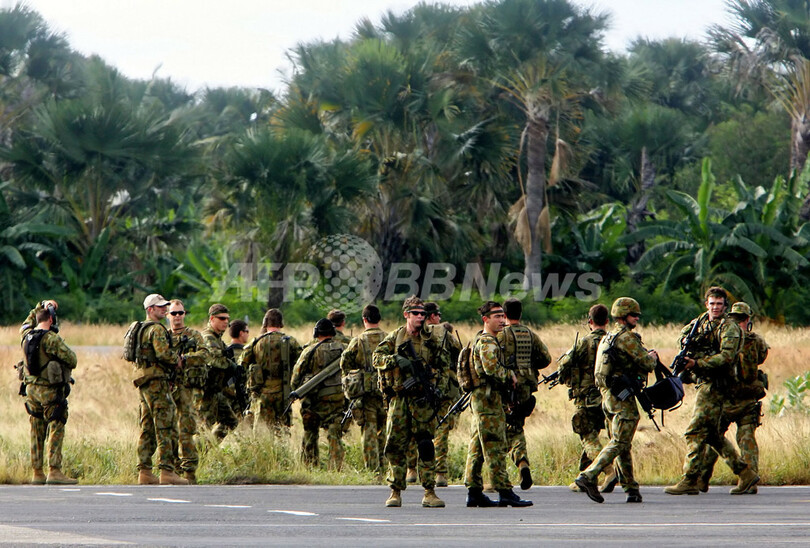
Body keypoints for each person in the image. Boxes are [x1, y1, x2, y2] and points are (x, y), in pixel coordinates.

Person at [665, 293, 759, 496]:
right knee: (712, 434)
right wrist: (688, 347)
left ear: (725, 306)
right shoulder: (699, 322)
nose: (715, 307)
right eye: (712, 303)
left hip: (716, 385)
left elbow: (726, 357)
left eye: (719, 304)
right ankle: (745, 473)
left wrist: (697, 363)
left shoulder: (729, 328)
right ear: (706, 304)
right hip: (703, 381)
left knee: (694, 432)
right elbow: (682, 337)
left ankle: (690, 479)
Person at [575, 297, 657, 504]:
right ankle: (589, 475)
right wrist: (653, 357)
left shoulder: (609, 336)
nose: (636, 318)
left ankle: (631, 489)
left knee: (623, 444)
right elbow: (647, 364)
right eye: (633, 315)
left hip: (609, 398)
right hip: (622, 400)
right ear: (623, 316)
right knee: (620, 442)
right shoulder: (626, 338)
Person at [373, 295, 448, 508]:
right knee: (396, 445)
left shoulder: (430, 339)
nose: (420, 317)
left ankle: (429, 492)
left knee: (425, 445)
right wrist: (395, 359)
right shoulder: (395, 337)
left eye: (423, 314)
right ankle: (395, 491)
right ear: (406, 314)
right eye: (416, 313)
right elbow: (376, 358)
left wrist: (438, 387)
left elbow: (444, 364)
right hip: (400, 399)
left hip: (423, 400)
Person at [464, 301, 532, 508]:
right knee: (495, 445)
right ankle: (505, 491)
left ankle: (474, 491)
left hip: (485, 401)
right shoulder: (487, 342)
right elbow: (491, 369)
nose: (502, 320)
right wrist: (509, 375)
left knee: (477, 447)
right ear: (485, 319)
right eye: (497, 317)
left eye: (503, 316)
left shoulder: (486, 340)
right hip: (488, 401)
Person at [699, 302, 768, 495]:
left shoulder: (725, 338)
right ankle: (748, 481)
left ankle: (702, 479)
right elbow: (761, 358)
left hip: (731, 399)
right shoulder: (756, 341)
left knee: (717, 438)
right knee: (744, 441)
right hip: (745, 398)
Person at [557, 303, 616, 493]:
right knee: (598, 434)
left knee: (587, 436)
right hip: (610, 397)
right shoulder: (613, 341)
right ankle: (584, 477)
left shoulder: (584, 342)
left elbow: (564, 364)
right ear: (607, 321)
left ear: (590, 321)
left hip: (587, 398)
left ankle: (609, 471)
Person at [19, 300, 78, 485]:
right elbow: (72, 359)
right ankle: (54, 470)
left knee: (36, 430)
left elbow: (26, 322)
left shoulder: (26, 335)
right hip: (49, 391)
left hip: (31, 391)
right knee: (56, 426)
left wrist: (41, 305)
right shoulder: (51, 339)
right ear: (51, 319)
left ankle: (37, 472)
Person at [498, 297, 552, 491]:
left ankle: (501, 474)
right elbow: (546, 358)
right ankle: (522, 464)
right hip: (526, 388)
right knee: (516, 426)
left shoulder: (500, 335)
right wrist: (529, 366)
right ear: (520, 314)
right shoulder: (530, 334)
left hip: (505, 387)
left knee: (501, 430)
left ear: (504, 314)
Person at [133, 294, 187, 485]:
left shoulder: (140, 328)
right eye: (160, 307)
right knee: (166, 425)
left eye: (165, 306)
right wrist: (178, 360)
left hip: (144, 381)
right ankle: (167, 470)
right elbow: (163, 354)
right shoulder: (156, 329)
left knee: (147, 426)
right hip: (157, 381)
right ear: (150, 310)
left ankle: (145, 471)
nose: (164, 309)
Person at [291, 318, 347, 468]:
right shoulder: (344, 349)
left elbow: (296, 378)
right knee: (335, 435)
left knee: (310, 433)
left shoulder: (309, 351)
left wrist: (298, 390)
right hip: (337, 399)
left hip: (313, 401)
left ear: (316, 333)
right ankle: (335, 468)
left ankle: (310, 467)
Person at [340, 304, 387, 472]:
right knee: (385, 430)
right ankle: (385, 467)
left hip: (366, 395)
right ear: (379, 319)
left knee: (369, 431)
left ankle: (373, 470)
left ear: (364, 320)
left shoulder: (358, 341)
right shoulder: (389, 338)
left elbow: (345, 363)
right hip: (386, 393)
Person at [240, 308, 302, 435]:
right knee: (282, 430)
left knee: (262, 431)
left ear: (265, 323)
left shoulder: (256, 342)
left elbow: (242, 364)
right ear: (281, 323)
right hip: (284, 392)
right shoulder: (291, 342)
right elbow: (301, 365)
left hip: (262, 393)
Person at [168, 299, 208, 484]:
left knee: (187, 429)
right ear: (168, 315)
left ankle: (189, 472)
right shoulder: (164, 336)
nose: (177, 317)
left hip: (186, 388)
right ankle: (172, 470)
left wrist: (185, 359)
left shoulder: (194, 335)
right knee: (168, 430)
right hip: (169, 387)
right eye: (174, 313)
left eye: (180, 313)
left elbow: (205, 354)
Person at [197, 304, 239, 441]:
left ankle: (208, 447)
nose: (226, 322)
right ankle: (196, 452)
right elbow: (214, 360)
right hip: (206, 391)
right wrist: (231, 365)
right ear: (212, 319)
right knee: (203, 428)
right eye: (222, 318)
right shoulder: (208, 337)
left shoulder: (217, 338)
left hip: (216, 390)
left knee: (231, 421)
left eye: (227, 319)